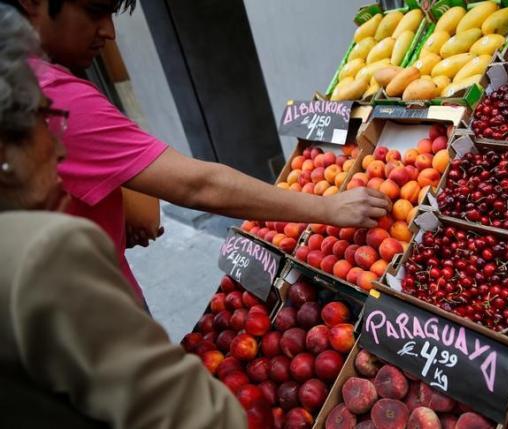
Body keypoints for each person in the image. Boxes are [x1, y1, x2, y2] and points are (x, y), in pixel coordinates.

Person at [1, 0, 391, 305]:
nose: (110, 32)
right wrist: (328, 209)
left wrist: (115, 213)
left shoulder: (27, 84)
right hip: (87, 315)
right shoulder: (54, 99)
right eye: (95, 11)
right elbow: (197, 186)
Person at [0, 6, 247, 428]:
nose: (60, 150)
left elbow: (143, 210)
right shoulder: (42, 256)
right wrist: (330, 209)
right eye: (44, 121)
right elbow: (198, 417)